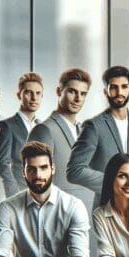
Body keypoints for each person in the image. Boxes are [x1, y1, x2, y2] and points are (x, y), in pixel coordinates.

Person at [67, 65, 129, 208]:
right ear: (106, 91)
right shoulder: (93, 126)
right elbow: (74, 170)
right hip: (106, 207)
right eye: (114, 87)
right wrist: (118, 175)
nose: (119, 92)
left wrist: (120, 167)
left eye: (124, 87)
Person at [28, 68, 93, 210]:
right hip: (61, 214)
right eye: (72, 91)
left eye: (83, 94)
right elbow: (36, 182)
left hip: (91, 215)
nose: (78, 99)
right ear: (59, 91)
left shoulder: (84, 131)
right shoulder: (44, 130)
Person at [0, 72, 43, 198]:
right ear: (19, 95)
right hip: (20, 193)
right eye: (29, 92)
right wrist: (14, 192)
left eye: (38, 93)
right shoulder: (8, 125)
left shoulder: (43, 127)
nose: (34, 98)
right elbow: (2, 163)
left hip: (43, 193)